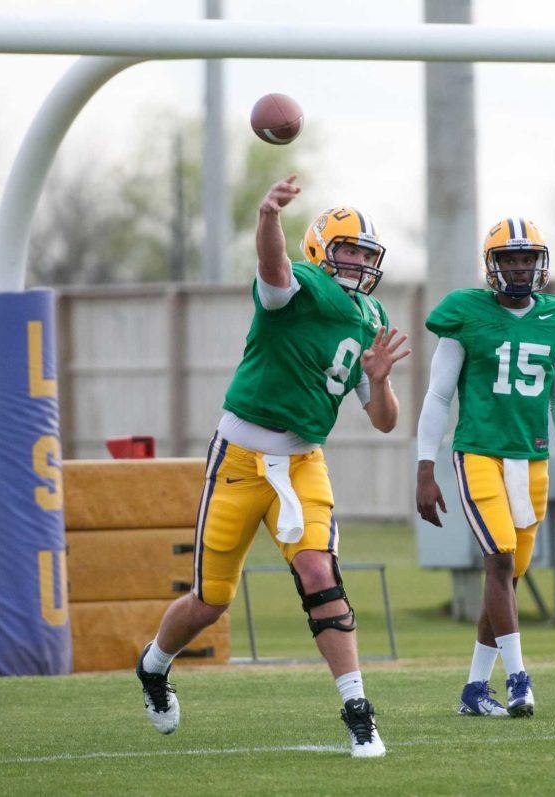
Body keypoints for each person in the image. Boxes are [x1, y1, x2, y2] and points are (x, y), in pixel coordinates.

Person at [136, 175, 410, 758]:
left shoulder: (370, 314)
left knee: (319, 572)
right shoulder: (300, 285)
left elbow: (384, 420)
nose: (359, 262)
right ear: (319, 250)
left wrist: (381, 383)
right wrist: (267, 217)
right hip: (238, 459)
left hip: (304, 460)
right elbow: (275, 270)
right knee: (210, 602)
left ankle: (359, 712)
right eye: (348, 250)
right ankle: (154, 666)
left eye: (366, 253)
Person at [415, 217, 555, 718]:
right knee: (499, 560)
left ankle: (473, 689)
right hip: (478, 452)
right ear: (492, 266)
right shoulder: (464, 313)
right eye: (509, 259)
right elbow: (438, 396)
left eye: (526, 259)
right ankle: (518, 680)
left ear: (540, 264)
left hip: (531, 458)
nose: (518, 268)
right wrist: (425, 469)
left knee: (508, 578)